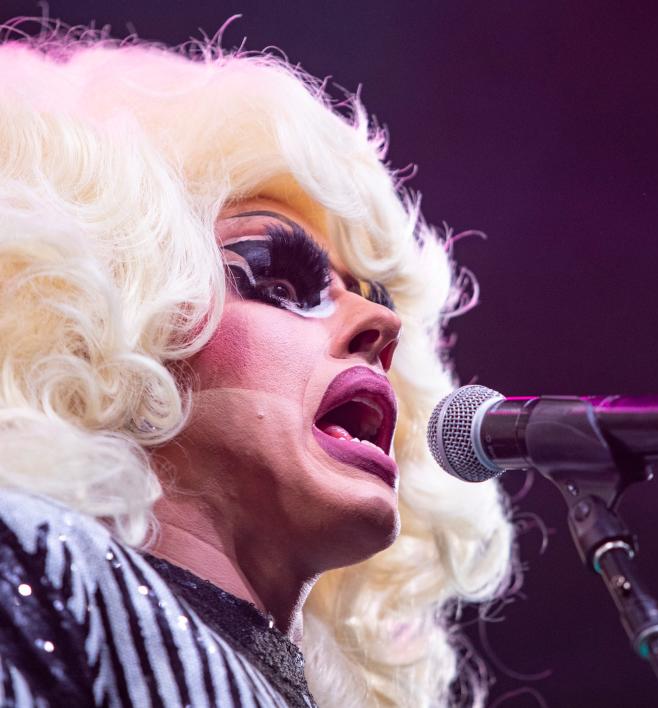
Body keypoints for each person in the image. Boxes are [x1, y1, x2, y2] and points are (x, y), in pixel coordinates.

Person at [0, 19, 514, 707]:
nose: (382, 326)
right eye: (280, 286)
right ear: (91, 330)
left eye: (374, 300)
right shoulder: (35, 568)